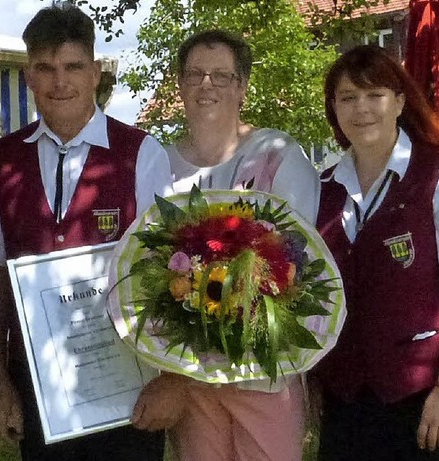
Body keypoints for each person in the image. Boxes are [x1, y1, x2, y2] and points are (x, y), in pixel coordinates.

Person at [0, 4, 172, 461]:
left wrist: (171, 378)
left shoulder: (141, 154)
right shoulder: (1, 160)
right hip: (39, 385)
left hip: (128, 384)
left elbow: (168, 273)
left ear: (95, 73)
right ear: (28, 76)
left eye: (73, 67)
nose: (59, 82)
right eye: (45, 69)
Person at [131, 29, 320, 461]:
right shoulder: (156, 161)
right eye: (195, 74)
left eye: (221, 75)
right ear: (179, 83)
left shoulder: (278, 153)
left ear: (242, 87)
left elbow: (295, 265)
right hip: (190, 375)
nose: (206, 85)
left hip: (263, 372)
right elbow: (146, 264)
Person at [314, 45, 439, 460]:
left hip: (423, 398)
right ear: (334, 109)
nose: (362, 109)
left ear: (399, 102)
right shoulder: (322, 190)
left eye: (374, 95)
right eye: (347, 97)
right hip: (344, 398)